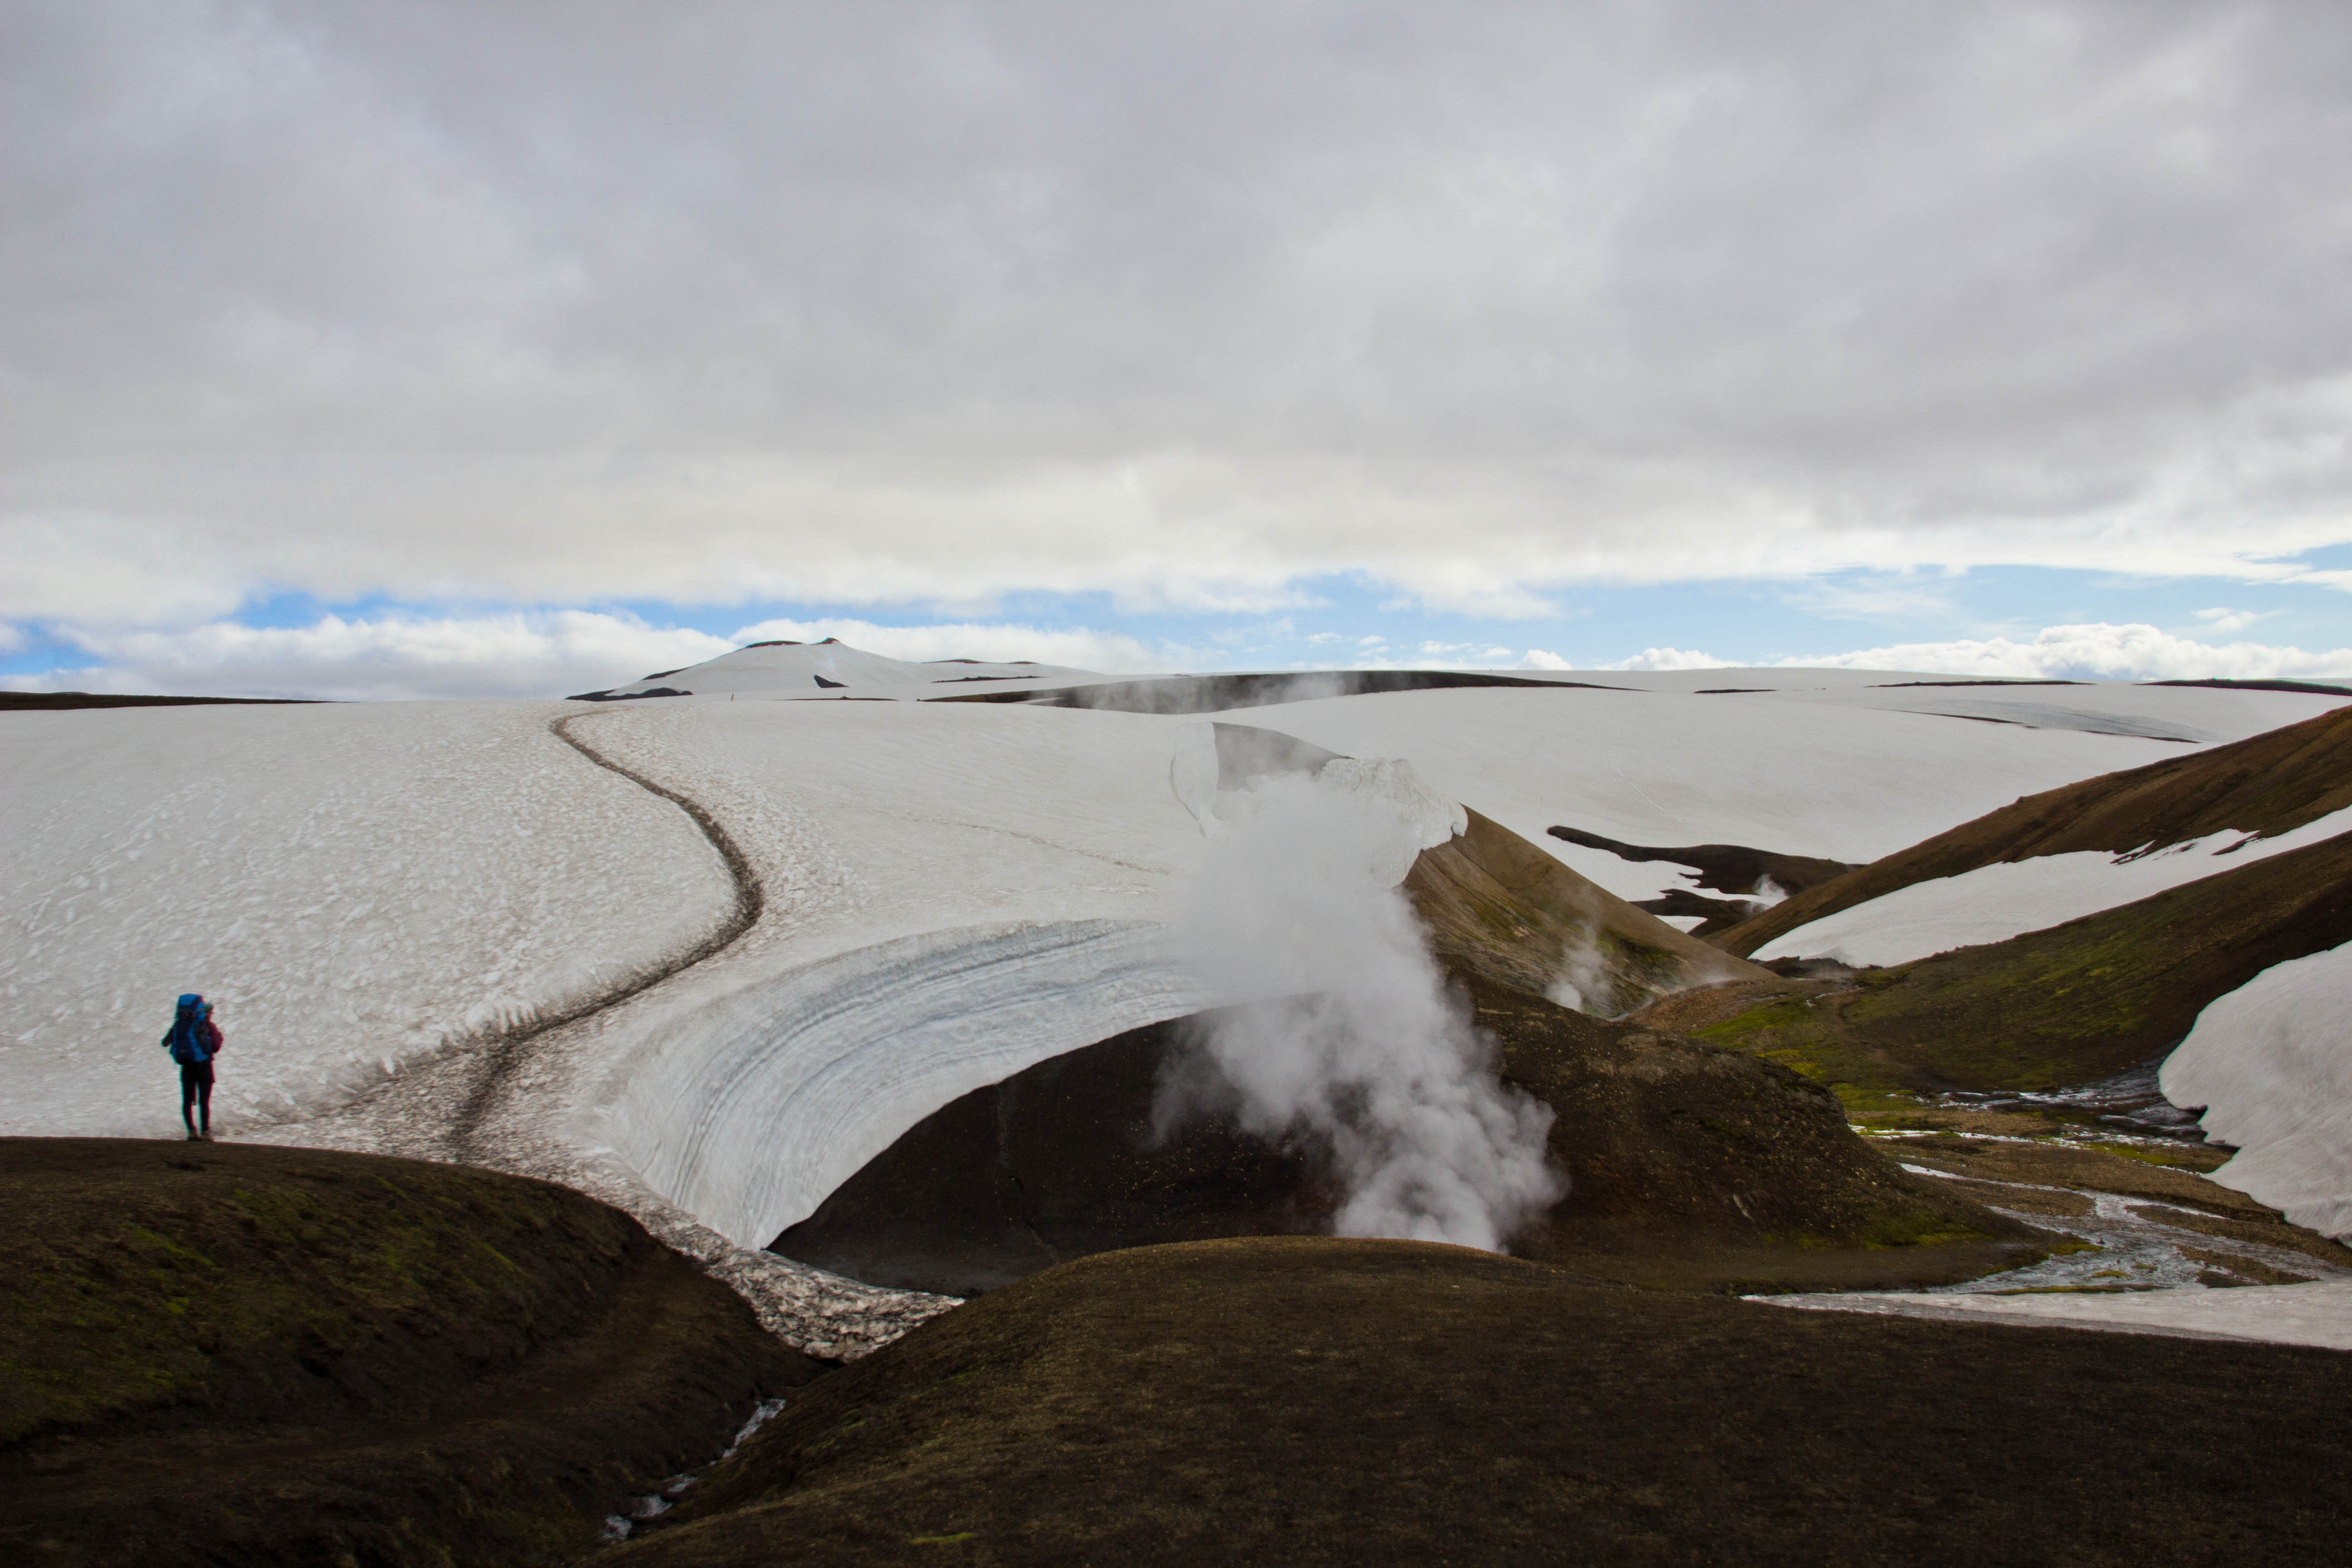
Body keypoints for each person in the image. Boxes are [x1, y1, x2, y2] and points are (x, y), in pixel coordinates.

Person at [161, 993, 224, 1142]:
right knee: (204, 1100)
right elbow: (215, 1047)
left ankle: (191, 1131)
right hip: (204, 1067)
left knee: (187, 1100)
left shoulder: (179, 1024)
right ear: (205, 1012)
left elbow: (165, 1042)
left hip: (186, 1066)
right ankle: (205, 1132)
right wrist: (219, 1038)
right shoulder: (209, 1026)